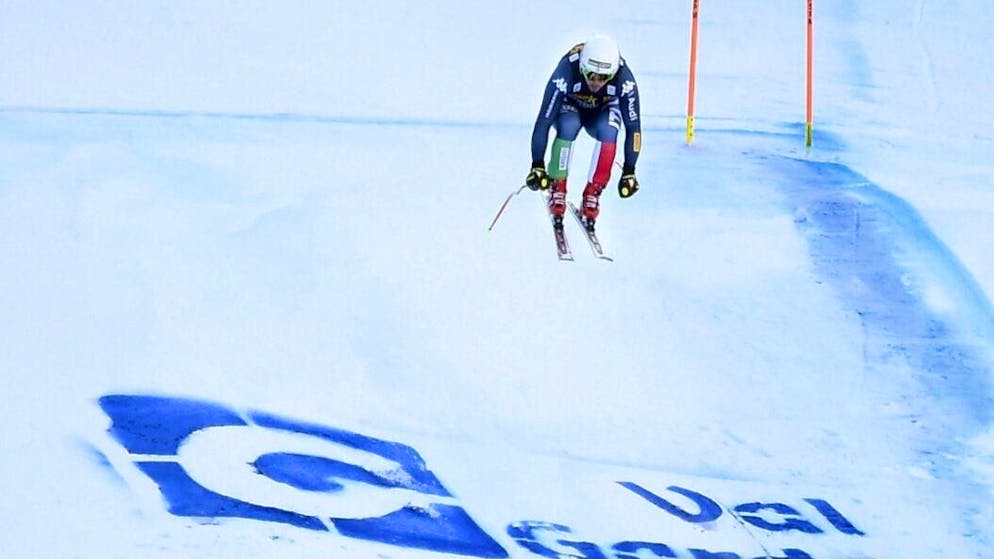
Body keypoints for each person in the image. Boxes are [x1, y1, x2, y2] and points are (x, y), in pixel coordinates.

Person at [525, 35, 641, 232]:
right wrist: (537, 165)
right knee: (569, 126)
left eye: (603, 78)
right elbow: (544, 120)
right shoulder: (566, 71)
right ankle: (558, 185)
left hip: (601, 112)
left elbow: (634, 129)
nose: (595, 82)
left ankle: (593, 192)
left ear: (613, 74)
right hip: (571, 108)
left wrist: (630, 170)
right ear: (581, 68)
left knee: (610, 130)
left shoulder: (625, 80)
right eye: (589, 74)